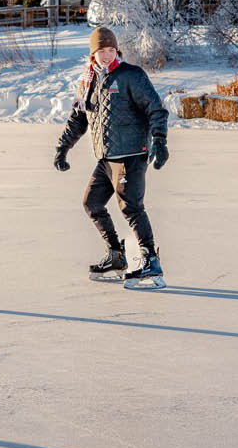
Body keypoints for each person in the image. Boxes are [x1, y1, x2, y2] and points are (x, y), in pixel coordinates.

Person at [54, 26, 170, 289]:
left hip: (131, 155)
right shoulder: (89, 81)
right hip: (106, 158)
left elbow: (156, 110)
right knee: (92, 203)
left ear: (117, 50)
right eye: (101, 51)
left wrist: (160, 141)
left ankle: (150, 260)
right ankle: (117, 256)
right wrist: (63, 148)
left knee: (130, 207)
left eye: (110, 50)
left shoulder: (131, 76)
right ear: (92, 54)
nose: (107, 55)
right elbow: (78, 119)